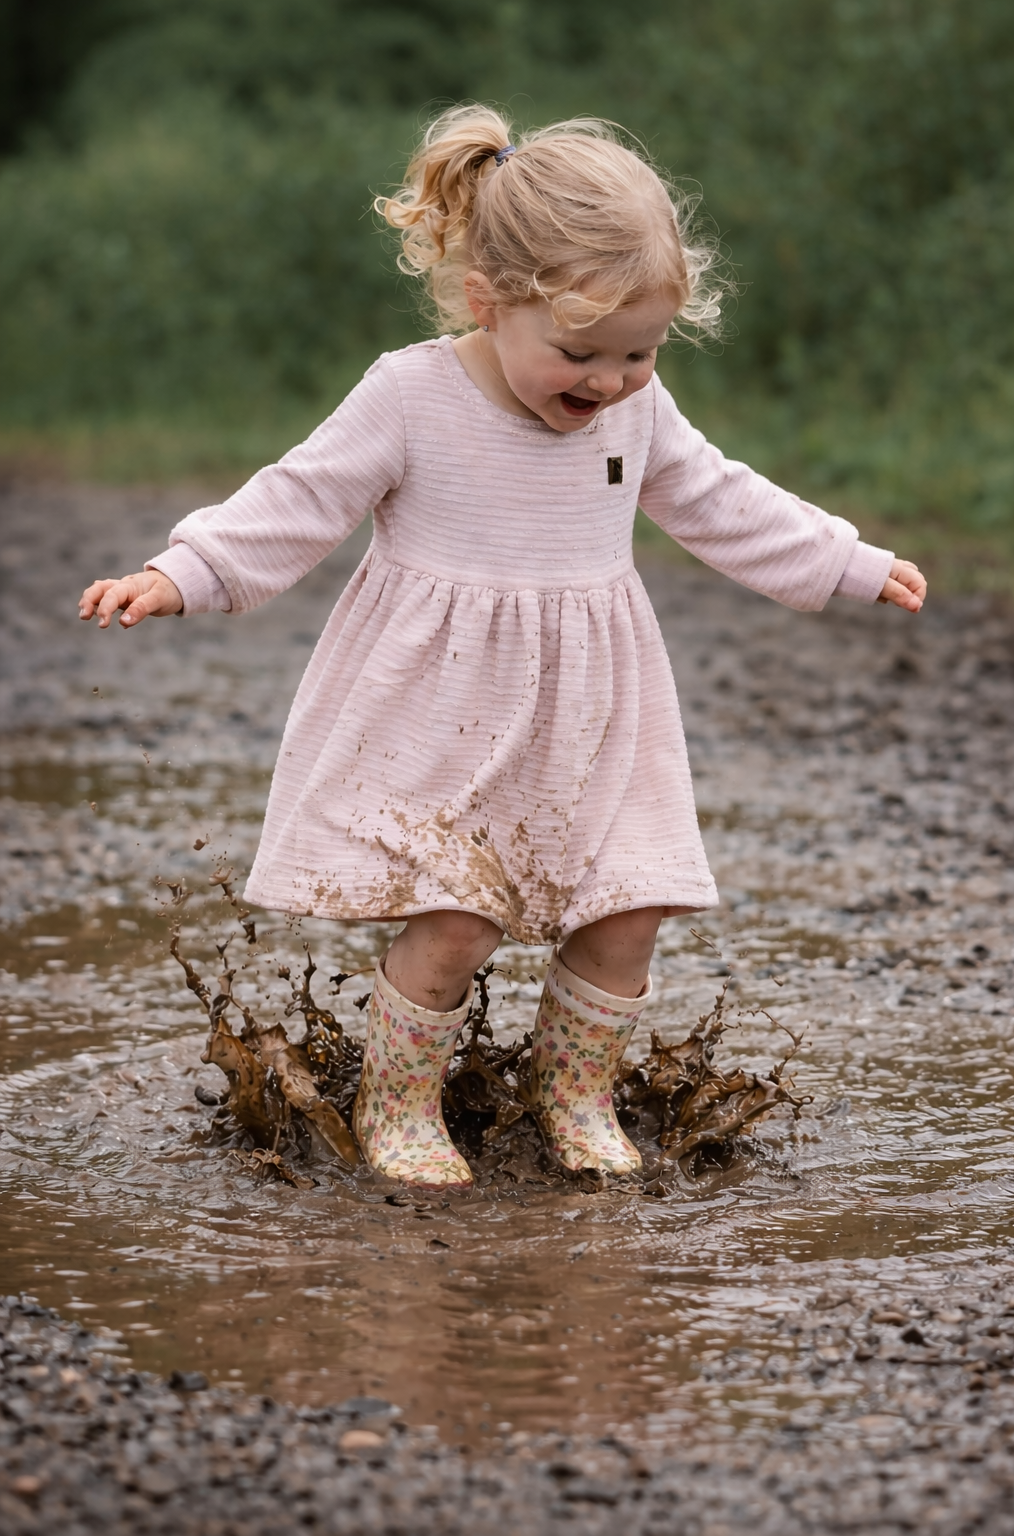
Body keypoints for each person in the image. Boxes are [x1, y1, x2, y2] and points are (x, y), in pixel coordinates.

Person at [78, 105, 926, 1190]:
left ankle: (571, 1098)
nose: (612, 382)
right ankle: (398, 1107)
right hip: (446, 715)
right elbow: (300, 498)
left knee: (628, 908)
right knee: (457, 920)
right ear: (489, 301)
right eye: (581, 354)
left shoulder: (634, 404)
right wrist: (182, 573)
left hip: (595, 714)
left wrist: (841, 557)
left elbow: (719, 497)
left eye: (640, 352)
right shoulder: (411, 395)